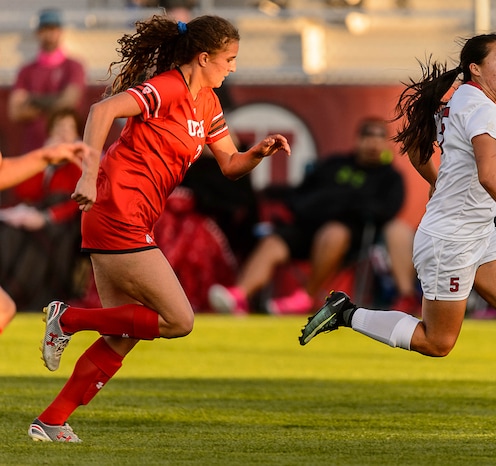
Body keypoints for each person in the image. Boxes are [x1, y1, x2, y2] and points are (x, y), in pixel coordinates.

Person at [28, 14, 290, 443]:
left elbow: (229, 166)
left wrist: (258, 152)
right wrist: (88, 175)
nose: (234, 67)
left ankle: (51, 420)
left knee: (121, 336)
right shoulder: (169, 88)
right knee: (179, 319)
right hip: (117, 208)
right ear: (204, 57)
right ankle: (70, 318)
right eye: (230, 58)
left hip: (129, 214)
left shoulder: (207, 103)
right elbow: (102, 110)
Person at [298, 33, 496, 440]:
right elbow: (488, 175)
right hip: (451, 240)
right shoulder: (481, 109)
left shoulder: (458, 100)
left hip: (477, 231)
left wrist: (438, 181)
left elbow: (415, 148)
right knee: (437, 342)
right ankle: (346, 313)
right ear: (475, 68)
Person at [208, 117, 404, 315]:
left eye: (379, 137)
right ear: (357, 140)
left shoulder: (390, 178)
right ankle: (239, 296)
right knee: (274, 242)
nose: (373, 142)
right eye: (368, 136)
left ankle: (305, 297)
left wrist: (350, 207)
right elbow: (301, 193)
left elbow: (387, 211)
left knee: (334, 233)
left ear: (387, 143)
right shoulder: (334, 164)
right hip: (308, 226)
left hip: (348, 238)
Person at [0, 108, 85, 310]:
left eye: (68, 128)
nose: (63, 134)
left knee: (39, 239)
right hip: (39, 215)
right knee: (11, 233)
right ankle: (12, 289)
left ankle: (24, 293)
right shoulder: (46, 159)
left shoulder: (82, 161)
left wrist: (48, 217)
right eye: (58, 128)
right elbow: (24, 191)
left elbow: (79, 202)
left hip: (66, 225)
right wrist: (44, 162)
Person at [8, 8, 86, 153]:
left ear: (60, 31)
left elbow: (68, 102)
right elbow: (16, 111)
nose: (49, 34)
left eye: (53, 28)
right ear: (38, 33)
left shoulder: (74, 66)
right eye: (45, 29)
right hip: (33, 151)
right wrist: (56, 101)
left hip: (66, 153)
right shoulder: (26, 71)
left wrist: (32, 100)